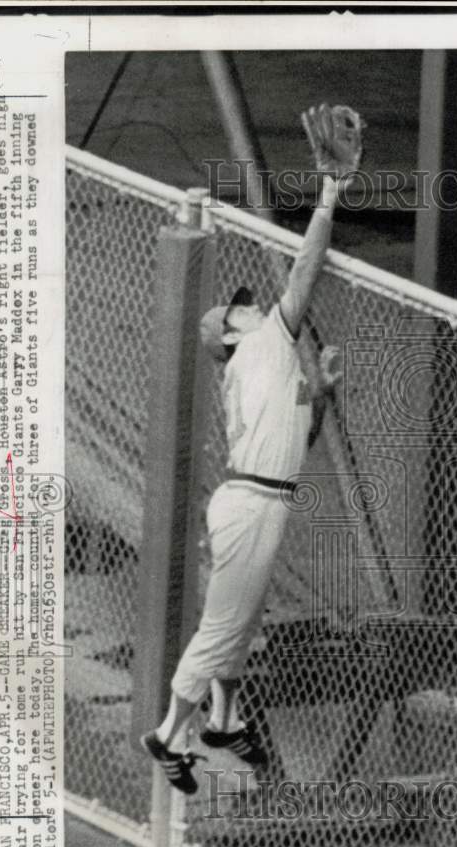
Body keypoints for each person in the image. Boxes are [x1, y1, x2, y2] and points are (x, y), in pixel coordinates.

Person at [141, 171, 345, 794]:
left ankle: (224, 720)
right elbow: (305, 270)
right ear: (231, 334)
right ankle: (168, 737)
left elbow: (298, 445)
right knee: (222, 629)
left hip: (259, 497)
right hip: (252, 503)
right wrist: (330, 194)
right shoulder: (262, 346)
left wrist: (324, 394)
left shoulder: (265, 365)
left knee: (240, 623)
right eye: (242, 309)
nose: (256, 306)